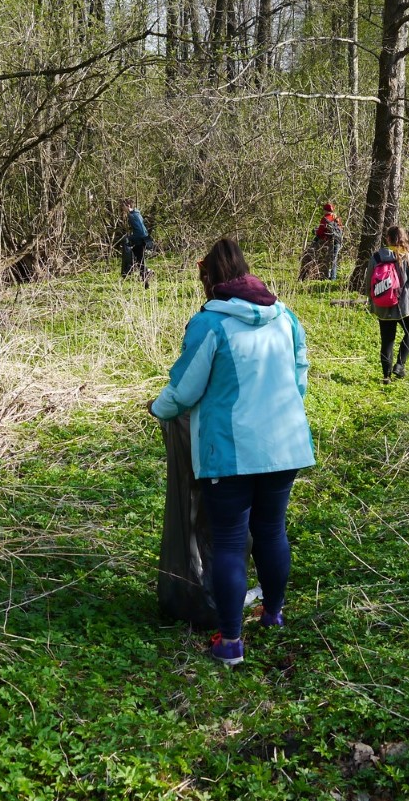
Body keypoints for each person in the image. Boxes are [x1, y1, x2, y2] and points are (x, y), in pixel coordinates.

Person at [147, 237, 315, 666]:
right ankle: (273, 615)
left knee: (228, 542)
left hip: (232, 454)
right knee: (272, 531)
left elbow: (184, 391)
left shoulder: (209, 324)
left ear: (211, 279)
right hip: (285, 446)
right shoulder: (286, 318)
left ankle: (230, 643)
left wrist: (157, 408)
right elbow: (299, 375)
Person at [365, 225, 409, 384]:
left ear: (387, 238)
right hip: (404, 306)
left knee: (387, 340)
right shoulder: (408, 256)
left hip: (382, 306)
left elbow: (369, 281)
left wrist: (371, 301)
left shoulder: (377, 257)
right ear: (403, 238)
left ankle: (386, 377)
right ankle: (400, 364)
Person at [121, 200, 153, 288]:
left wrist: (129, 238)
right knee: (138, 261)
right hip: (144, 239)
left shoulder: (132, 216)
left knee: (140, 261)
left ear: (128, 206)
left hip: (140, 240)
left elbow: (140, 231)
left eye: (123, 207)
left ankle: (146, 280)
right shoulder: (137, 213)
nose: (122, 209)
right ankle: (147, 273)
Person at [314, 202, 344, 281]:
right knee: (334, 259)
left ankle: (326, 276)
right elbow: (341, 229)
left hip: (329, 241)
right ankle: (333, 277)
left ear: (325, 210)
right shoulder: (337, 218)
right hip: (338, 240)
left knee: (326, 259)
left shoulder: (325, 218)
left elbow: (320, 232)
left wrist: (316, 238)